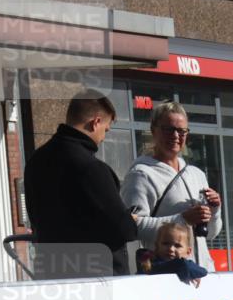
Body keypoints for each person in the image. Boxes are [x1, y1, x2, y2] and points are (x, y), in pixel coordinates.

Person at [24, 89, 138, 277]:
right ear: (96, 122)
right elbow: (122, 229)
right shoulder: (91, 168)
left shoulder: (36, 161)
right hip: (96, 276)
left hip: (51, 272)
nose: (103, 138)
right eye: (106, 130)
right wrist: (130, 221)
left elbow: (35, 217)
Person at [121, 102, 222, 272]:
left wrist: (215, 210)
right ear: (153, 130)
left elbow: (211, 234)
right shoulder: (140, 174)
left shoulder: (197, 174)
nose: (176, 136)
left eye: (182, 131)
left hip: (202, 273)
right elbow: (131, 227)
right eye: (168, 129)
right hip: (167, 274)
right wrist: (183, 219)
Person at [138, 222, 207, 286]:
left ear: (188, 252)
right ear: (157, 246)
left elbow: (203, 272)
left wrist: (192, 273)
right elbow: (183, 266)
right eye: (165, 243)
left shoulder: (183, 264)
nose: (171, 249)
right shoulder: (151, 265)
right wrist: (191, 273)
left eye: (177, 246)